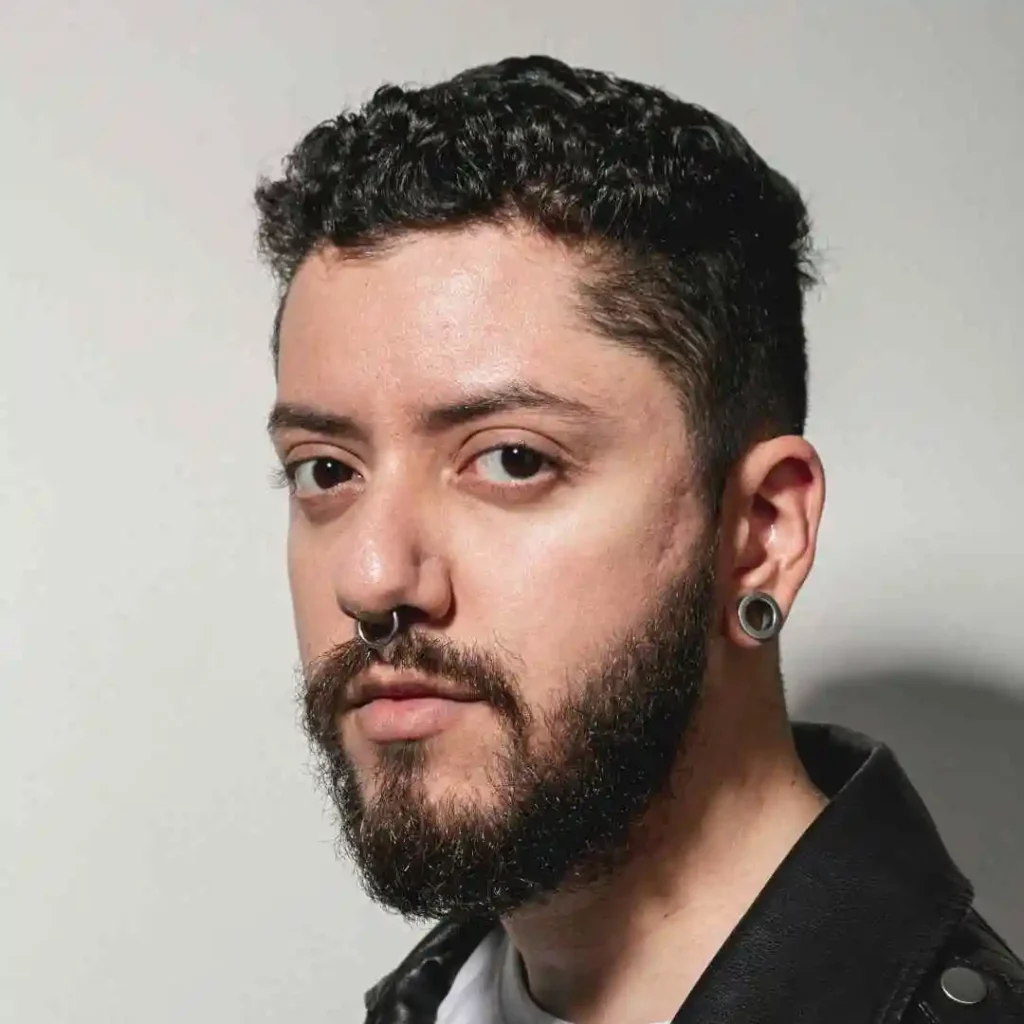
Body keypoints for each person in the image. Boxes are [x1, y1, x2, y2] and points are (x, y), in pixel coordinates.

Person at [254, 55, 1023, 1024]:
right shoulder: (431, 1002)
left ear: (760, 533)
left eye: (511, 460)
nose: (370, 577)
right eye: (326, 469)